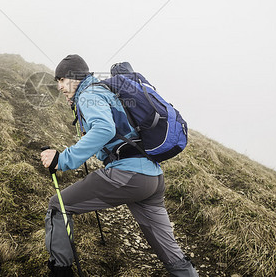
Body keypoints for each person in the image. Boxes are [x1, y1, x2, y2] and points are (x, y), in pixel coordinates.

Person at [40, 54, 198, 277]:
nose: (59, 86)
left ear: (75, 78)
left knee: (58, 206)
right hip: (152, 178)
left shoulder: (89, 94)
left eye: (62, 80)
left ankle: (60, 272)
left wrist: (62, 159)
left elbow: (104, 130)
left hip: (128, 175)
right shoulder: (103, 91)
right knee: (168, 248)